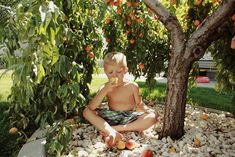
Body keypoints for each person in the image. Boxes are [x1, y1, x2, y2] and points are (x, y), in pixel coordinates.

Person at [83, 52, 159, 147]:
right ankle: (111, 132)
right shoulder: (104, 87)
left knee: (152, 117)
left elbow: (139, 104)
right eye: (110, 72)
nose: (114, 75)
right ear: (106, 72)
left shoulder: (132, 86)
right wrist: (105, 90)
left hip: (129, 117)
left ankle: (114, 129)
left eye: (118, 72)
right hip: (112, 116)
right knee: (86, 111)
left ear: (125, 70)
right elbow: (92, 107)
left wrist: (148, 110)